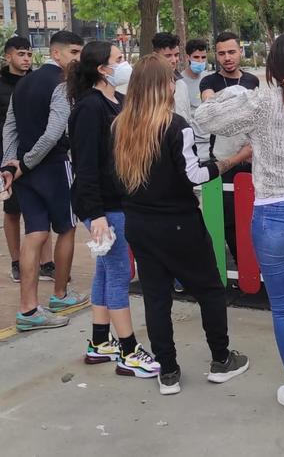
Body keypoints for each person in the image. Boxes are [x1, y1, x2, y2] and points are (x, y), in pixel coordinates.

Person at [196, 33, 284, 415]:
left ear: (271, 66)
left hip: (275, 214)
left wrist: (231, 93)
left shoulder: (258, 101)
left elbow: (204, 118)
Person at [114, 54, 250, 395]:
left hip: (139, 223)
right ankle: (221, 359)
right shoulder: (175, 125)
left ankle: (168, 371)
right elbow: (195, 175)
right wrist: (233, 160)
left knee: (156, 298)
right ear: (163, 86)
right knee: (209, 290)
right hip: (179, 223)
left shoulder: (119, 125)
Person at [67, 41, 160, 378]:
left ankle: (99, 342)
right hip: (104, 206)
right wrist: (97, 215)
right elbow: (86, 166)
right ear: (102, 69)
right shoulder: (89, 108)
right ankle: (128, 350)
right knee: (120, 272)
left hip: (119, 201)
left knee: (106, 271)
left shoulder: (118, 102)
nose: (125, 65)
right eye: (119, 60)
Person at [2, 31, 89, 332]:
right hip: (52, 168)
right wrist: (23, 164)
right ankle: (60, 296)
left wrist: (10, 165)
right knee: (66, 229)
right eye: (74, 52)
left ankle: (27, 309)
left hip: (25, 171)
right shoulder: (62, 86)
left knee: (35, 234)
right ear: (56, 54)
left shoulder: (23, 83)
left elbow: (9, 128)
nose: (79, 58)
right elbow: (53, 134)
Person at [0, 36, 55, 284]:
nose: (26, 59)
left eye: (30, 55)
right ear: (8, 56)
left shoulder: (40, 84)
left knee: (45, 208)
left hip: (40, 156)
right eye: (21, 54)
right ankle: (16, 261)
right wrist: (14, 129)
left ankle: (47, 262)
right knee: (12, 210)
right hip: (8, 157)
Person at [199, 31, 258, 264]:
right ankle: (237, 259)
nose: (227, 58)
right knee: (227, 215)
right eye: (222, 53)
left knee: (250, 213)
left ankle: (253, 260)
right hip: (222, 160)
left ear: (240, 52)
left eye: (232, 52)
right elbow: (209, 105)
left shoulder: (252, 80)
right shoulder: (209, 81)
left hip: (250, 157)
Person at [174, 38, 211, 158]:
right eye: (196, 57)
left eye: (203, 57)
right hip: (193, 144)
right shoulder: (179, 83)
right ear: (188, 57)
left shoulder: (208, 79)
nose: (200, 61)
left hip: (211, 141)